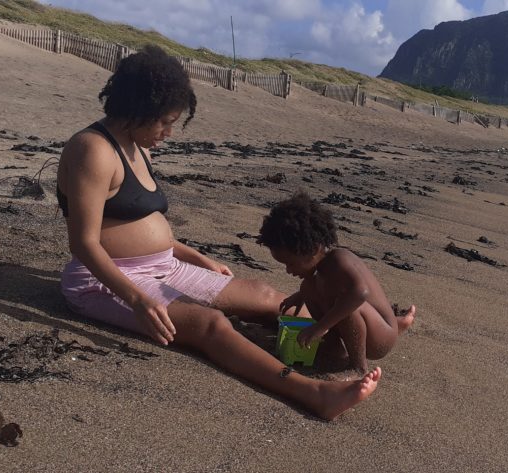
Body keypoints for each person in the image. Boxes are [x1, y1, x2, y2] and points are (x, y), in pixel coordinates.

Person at [55, 45, 379, 420]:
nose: (168, 132)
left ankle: (351, 340)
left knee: (269, 297)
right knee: (211, 324)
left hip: (167, 266)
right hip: (109, 280)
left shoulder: (138, 148)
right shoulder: (91, 150)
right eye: (164, 121)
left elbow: (138, 225)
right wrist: (138, 300)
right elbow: (84, 241)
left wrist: (197, 258)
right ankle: (314, 393)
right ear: (137, 108)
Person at [257, 192, 416, 373]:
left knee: (346, 304)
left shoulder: (340, 260)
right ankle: (335, 352)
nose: (288, 270)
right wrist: (300, 296)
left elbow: (360, 293)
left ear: (314, 249)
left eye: (291, 263)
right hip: (369, 328)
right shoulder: (320, 271)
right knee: (308, 287)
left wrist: (320, 327)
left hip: (381, 339)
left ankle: (358, 367)